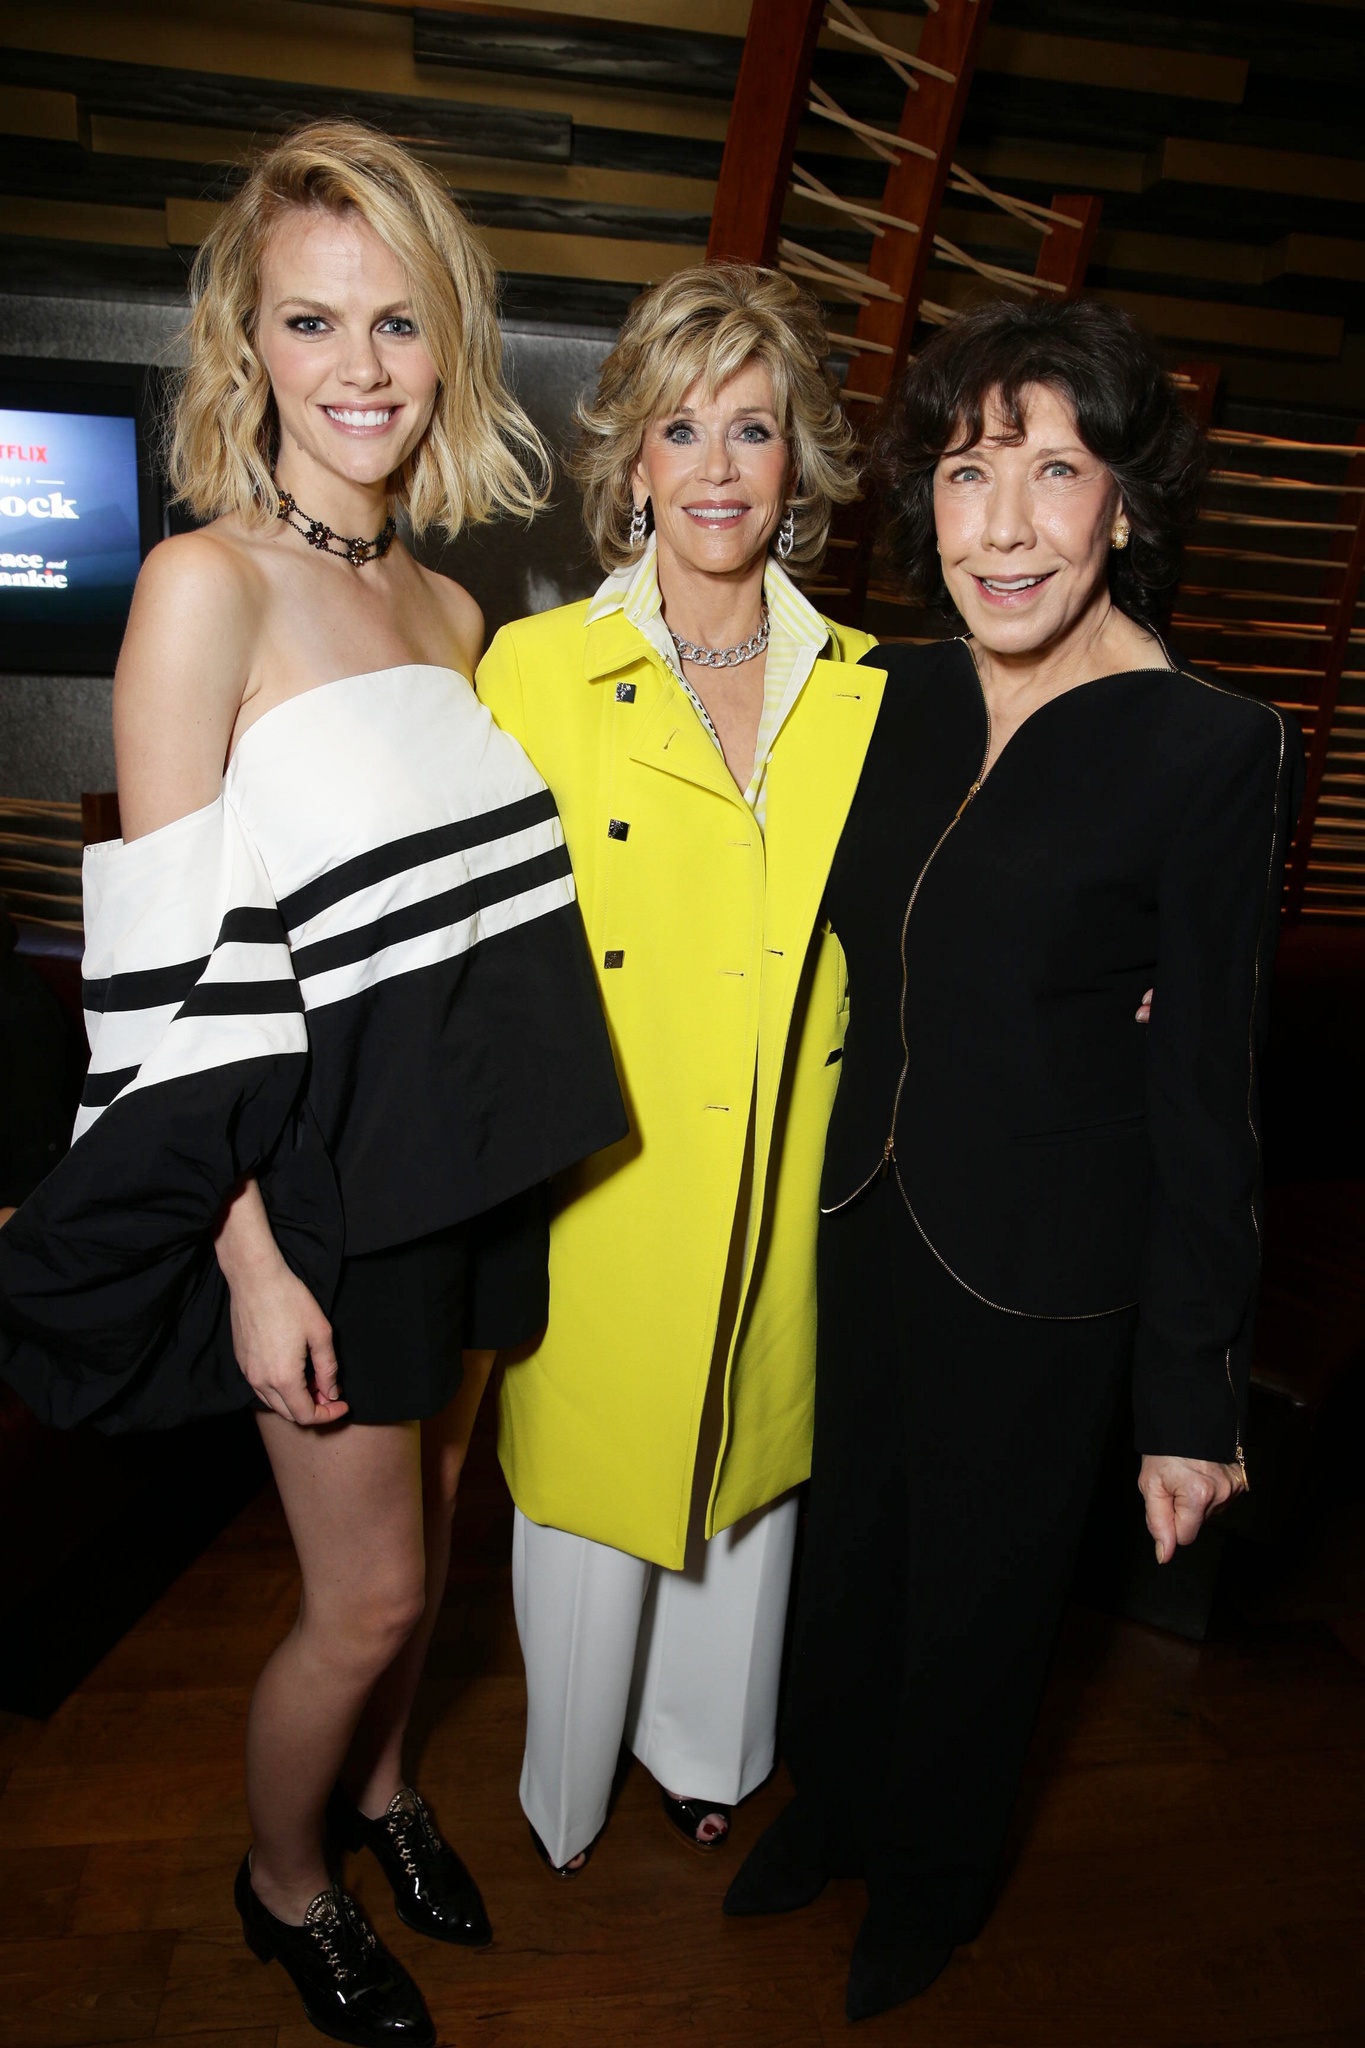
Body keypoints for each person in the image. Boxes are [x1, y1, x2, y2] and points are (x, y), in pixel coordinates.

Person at [0, 122, 623, 2048]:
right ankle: (286, 1890)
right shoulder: (203, 586)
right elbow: (164, 982)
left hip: (479, 1166)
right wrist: (250, 1264)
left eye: (398, 320)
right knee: (357, 1601)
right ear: (244, 345)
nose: (358, 363)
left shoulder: (454, 614)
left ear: (448, 345)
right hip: (319, 1195)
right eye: (310, 320)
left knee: (436, 1548)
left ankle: (380, 1794)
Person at [725, 297, 1303, 2021]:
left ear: (1124, 504)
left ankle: (929, 1880)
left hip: (1049, 1253)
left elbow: (1210, 1083)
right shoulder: (883, 694)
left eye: (1054, 472)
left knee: (981, 1601)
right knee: (850, 1553)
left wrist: (1190, 1396)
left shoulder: (1214, 747)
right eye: (971, 472)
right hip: (863, 1204)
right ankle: (825, 1806)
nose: (1000, 525)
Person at [476, 263, 882, 1874]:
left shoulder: (865, 692)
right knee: (588, 1502)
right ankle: (563, 1789)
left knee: (748, 1483)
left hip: (787, 1158)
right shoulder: (533, 674)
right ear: (630, 460)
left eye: (754, 431)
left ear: (796, 468)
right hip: (605, 1174)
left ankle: (708, 1752)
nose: (717, 467)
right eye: (681, 429)